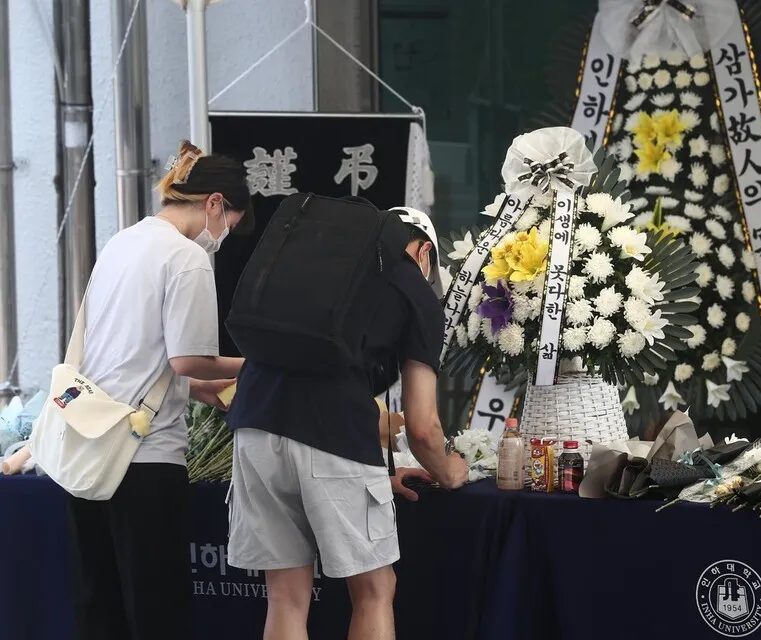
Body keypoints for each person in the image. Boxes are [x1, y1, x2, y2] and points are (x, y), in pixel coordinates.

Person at [226, 203, 467, 640]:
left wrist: (378, 472)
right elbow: (423, 425)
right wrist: (450, 471)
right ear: (425, 252)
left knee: (286, 595)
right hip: (331, 433)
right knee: (375, 589)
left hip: (254, 426)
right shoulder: (415, 289)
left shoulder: (317, 267)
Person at [66, 139, 254, 640]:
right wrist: (261, 364)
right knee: (156, 609)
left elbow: (127, 353)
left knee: (100, 605)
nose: (222, 237)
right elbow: (186, 356)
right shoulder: (186, 257)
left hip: (90, 449)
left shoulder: (122, 242)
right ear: (214, 203)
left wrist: (196, 389)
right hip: (145, 457)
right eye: (228, 226)